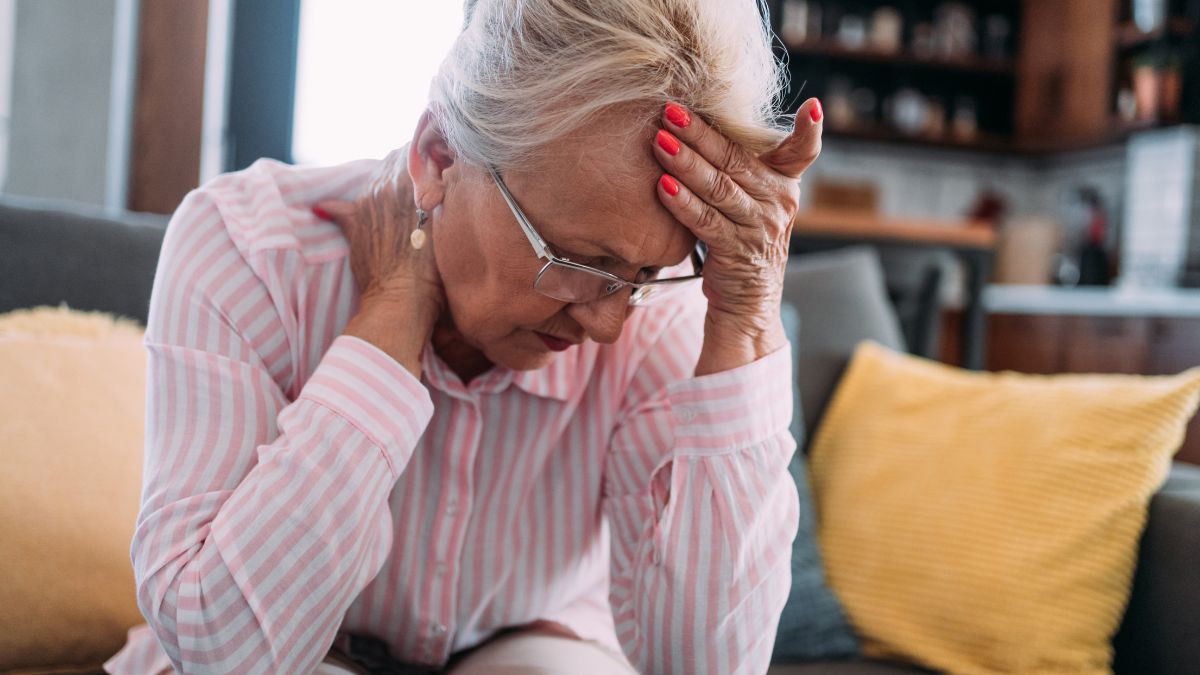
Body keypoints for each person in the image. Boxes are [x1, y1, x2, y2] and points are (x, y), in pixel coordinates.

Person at [104, 0, 823, 672]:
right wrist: (388, 324)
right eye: (577, 262)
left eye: (643, 272)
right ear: (440, 155)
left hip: (532, 645)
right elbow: (219, 645)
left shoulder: (663, 314)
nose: (609, 322)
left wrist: (746, 321)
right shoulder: (246, 249)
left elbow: (702, 664)